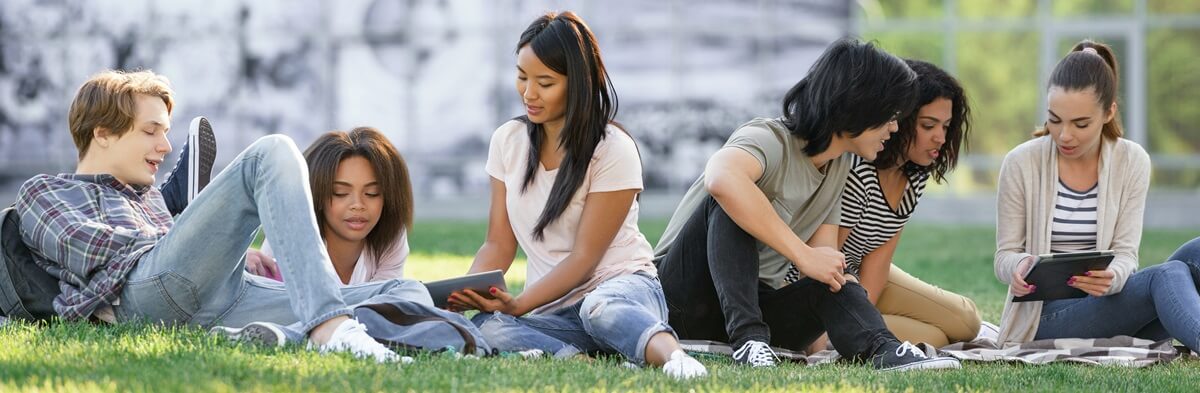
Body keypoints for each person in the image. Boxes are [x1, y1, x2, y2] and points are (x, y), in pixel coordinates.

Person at [15, 70, 431, 363]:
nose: (164, 145)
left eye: (165, 132)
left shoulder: (149, 198)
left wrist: (219, 251)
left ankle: (283, 336)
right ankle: (331, 329)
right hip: (142, 295)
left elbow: (181, 257)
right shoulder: (46, 191)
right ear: (101, 133)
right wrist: (203, 239)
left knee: (404, 292)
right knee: (272, 152)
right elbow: (89, 249)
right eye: (150, 131)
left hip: (222, 298)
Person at [653, 38, 962, 370]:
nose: (895, 127)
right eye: (890, 115)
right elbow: (722, 179)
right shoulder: (768, 137)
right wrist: (804, 256)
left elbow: (823, 259)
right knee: (730, 198)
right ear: (861, 105)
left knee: (831, 277)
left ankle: (883, 348)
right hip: (679, 302)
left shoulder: (839, 167)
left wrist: (836, 283)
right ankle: (749, 341)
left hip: (752, 307)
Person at [446, 11, 707, 379]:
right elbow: (498, 245)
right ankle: (575, 359)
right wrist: (462, 295)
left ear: (578, 83)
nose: (528, 93)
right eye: (522, 77)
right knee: (487, 325)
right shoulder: (507, 141)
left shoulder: (613, 149)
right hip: (554, 308)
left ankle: (675, 359)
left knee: (600, 308)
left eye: (545, 82)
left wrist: (520, 304)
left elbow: (585, 258)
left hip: (621, 290)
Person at [994, 40, 1200, 353]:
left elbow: (1126, 254)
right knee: (1169, 275)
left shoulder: (1132, 160)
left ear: (1108, 112)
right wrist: (1019, 266)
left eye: (1080, 123)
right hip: (1045, 319)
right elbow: (1003, 256)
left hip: (1111, 302)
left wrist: (1112, 276)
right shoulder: (1021, 162)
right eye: (1055, 119)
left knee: (1195, 253)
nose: (1065, 135)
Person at [794, 59, 981, 349]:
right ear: (899, 119)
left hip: (859, 279)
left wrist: (864, 318)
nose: (940, 138)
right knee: (936, 338)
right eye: (928, 125)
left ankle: (853, 331)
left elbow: (878, 263)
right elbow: (825, 263)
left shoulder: (913, 176)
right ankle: (830, 335)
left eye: (946, 126)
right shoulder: (858, 172)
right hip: (825, 284)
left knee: (967, 322)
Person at [246, 127, 413, 284]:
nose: (358, 205)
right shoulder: (289, 233)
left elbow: (383, 303)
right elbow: (269, 297)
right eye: (340, 192)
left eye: (372, 193)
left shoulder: (390, 237)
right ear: (315, 194)